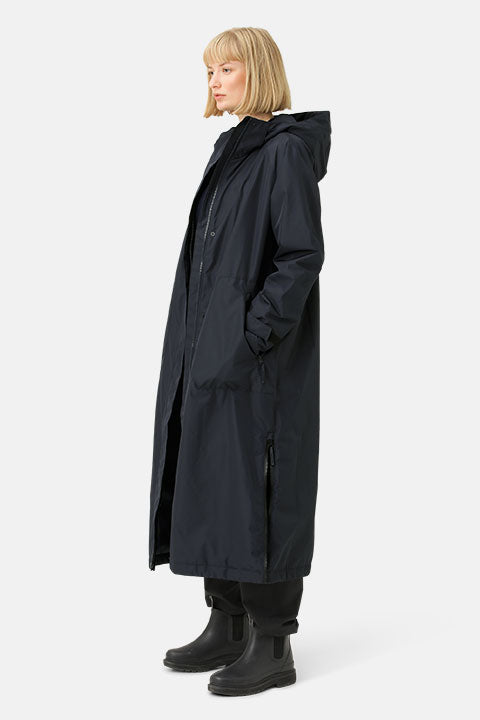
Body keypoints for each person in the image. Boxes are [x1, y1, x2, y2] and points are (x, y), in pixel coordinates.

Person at [149, 26, 331, 696]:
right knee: (212, 480)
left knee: (263, 489)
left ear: (257, 71)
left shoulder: (282, 152)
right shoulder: (232, 151)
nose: (214, 81)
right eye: (209, 72)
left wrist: (252, 337)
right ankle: (227, 624)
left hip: (259, 366)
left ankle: (273, 643)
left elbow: (299, 257)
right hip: (210, 357)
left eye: (226, 68)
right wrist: (206, 344)